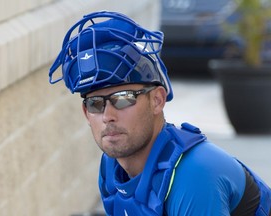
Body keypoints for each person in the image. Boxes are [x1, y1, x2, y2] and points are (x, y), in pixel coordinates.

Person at [49, 11, 271, 216]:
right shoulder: (112, 166)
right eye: (95, 103)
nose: (108, 115)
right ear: (86, 113)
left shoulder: (194, 176)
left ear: (157, 100)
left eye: (123, 98)